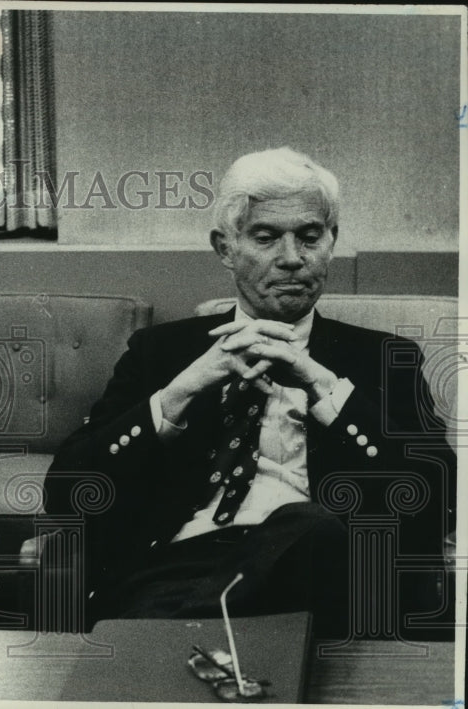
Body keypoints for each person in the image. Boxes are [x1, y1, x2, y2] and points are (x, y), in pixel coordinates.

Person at [43, 147, 456, 637]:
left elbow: (438, 504)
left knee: (311, 527)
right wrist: (181, 391)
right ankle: (187, 628)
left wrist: (324, 388)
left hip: (325, 581)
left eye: (310, 237)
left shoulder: (384, 358)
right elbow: (66, 492)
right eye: (266, 237)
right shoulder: (162, 353)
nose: (291, 259)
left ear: (332, 242)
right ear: (225, 248)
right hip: (177, 568)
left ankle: (159, 637)